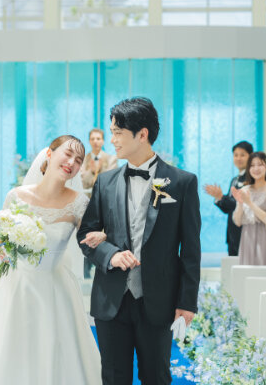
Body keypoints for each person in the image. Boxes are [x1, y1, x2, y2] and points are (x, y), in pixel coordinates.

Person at [0, 136, 103, 385]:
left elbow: (90, 241)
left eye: (78, 160)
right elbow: (2, 246)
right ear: (50, 154)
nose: (72, 163)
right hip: (16, 288)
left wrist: (103, 237)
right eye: (67, 154)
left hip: (55, 289)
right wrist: (7, 253)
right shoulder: (16, 196)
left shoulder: (79, 203)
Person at [78, 97, 201, 385]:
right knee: (113, 378)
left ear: (142, 134)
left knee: (156, 377)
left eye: (118, 132)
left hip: (158, 301)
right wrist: (110, 255)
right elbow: (85, 235)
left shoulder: (182, 182)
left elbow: (191, 249)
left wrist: (187, 302)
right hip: (111, 300)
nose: (112, 140)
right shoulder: (105, 182)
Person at [204, 141, 253, 256]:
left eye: (242, 155)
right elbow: (228, 208)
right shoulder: (234, 179)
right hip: (232, 234)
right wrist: (218, 198)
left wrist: (222, 197)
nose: (238, 158)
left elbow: (241, 204)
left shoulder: (251, 179)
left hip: (245, 233)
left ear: (251, 156)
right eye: (236, 155)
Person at [80, 128, 117, 278]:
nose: (95, 141)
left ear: (103, 141)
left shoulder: (111, 159)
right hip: (86, 203)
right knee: (85, 231)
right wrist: (91, 170)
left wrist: (99, 172)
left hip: (105, 203)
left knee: (102, 233)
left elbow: (110, 181)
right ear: (89, 141)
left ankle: (101, 263)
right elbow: (83, 182)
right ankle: (86, 266)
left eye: (98, 138)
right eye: (93, 139)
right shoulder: (83, 160)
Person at [232, 152, 266, 265]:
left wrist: (250, 203)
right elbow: (237, 222)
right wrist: (240, 203)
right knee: (246, 272)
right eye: (252, 165)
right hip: (246, 238)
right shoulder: (244, 190)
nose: (256, 168)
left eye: (260, 164)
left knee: (264, 270)